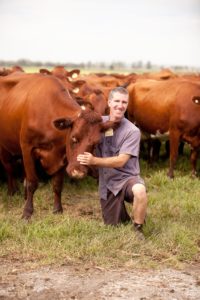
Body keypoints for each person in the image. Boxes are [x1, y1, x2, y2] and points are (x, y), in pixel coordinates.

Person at [77, 87, 148, 239]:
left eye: (124, 102)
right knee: (113, 226)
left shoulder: (132, 131)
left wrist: (94, 161)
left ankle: (138, 228)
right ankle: (127, 213)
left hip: (127, 178)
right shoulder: (97, 123)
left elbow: (121, 161)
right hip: (107, 182)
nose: (120, 105)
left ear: (127, 105)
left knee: (140, 190)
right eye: (116, 101)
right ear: (109, 102)